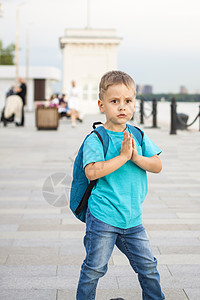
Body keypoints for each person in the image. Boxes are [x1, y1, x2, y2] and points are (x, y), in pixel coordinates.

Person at [76, 71, 165, 300]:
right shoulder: (96, 138)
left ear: (135, 103)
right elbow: (92, 170)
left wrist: (136, 157)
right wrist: (123, 157)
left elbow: (157, 165)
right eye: (114, 101)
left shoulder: (137, 135)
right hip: (103, 216)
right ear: (101, 104)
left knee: (148, 268)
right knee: (94, 268)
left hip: (133, 218)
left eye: (128, 101)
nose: (122, 107)